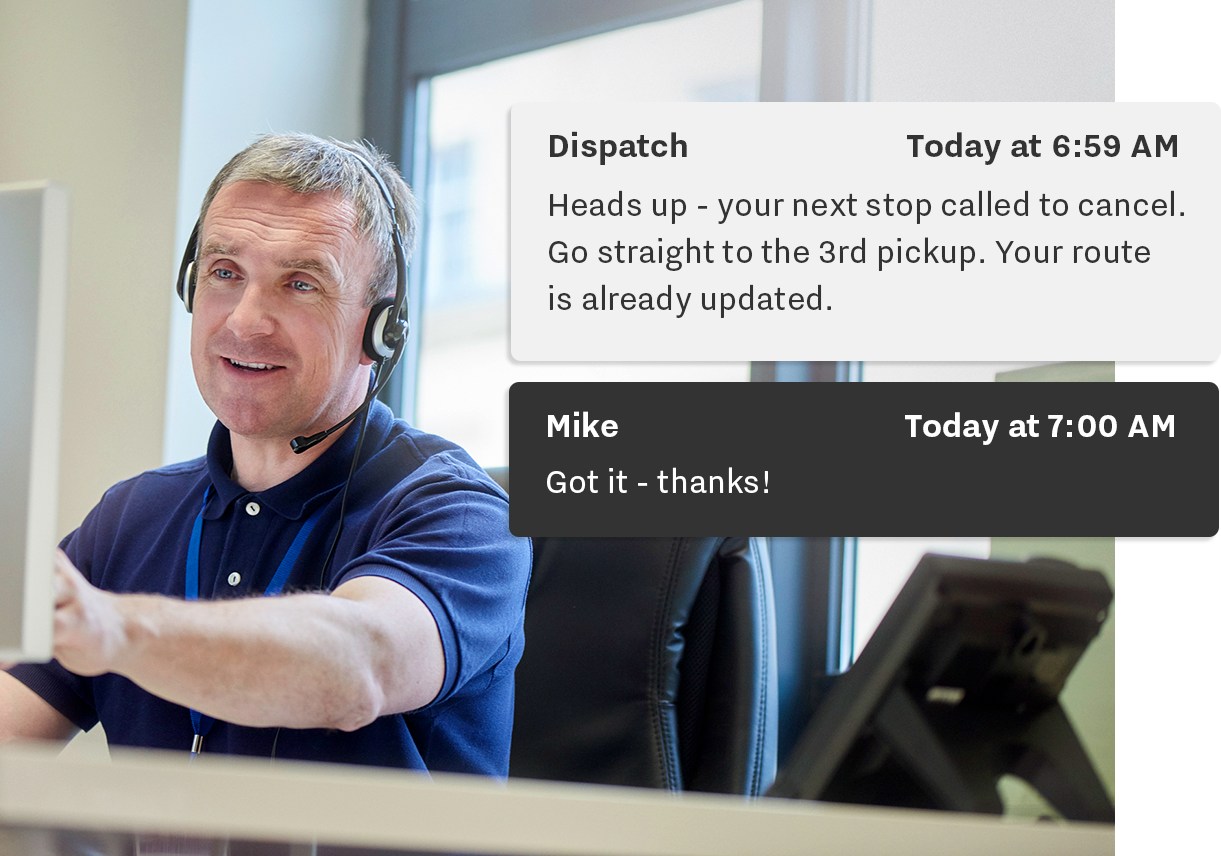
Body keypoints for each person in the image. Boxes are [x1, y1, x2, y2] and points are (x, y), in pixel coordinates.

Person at [0, 134, 531, 775]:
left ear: (381, 330)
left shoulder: (461, 515)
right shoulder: (131, 518)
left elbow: (360, 665)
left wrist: (115, 630)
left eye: (301, 284)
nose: (246, 322)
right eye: (225, 273)